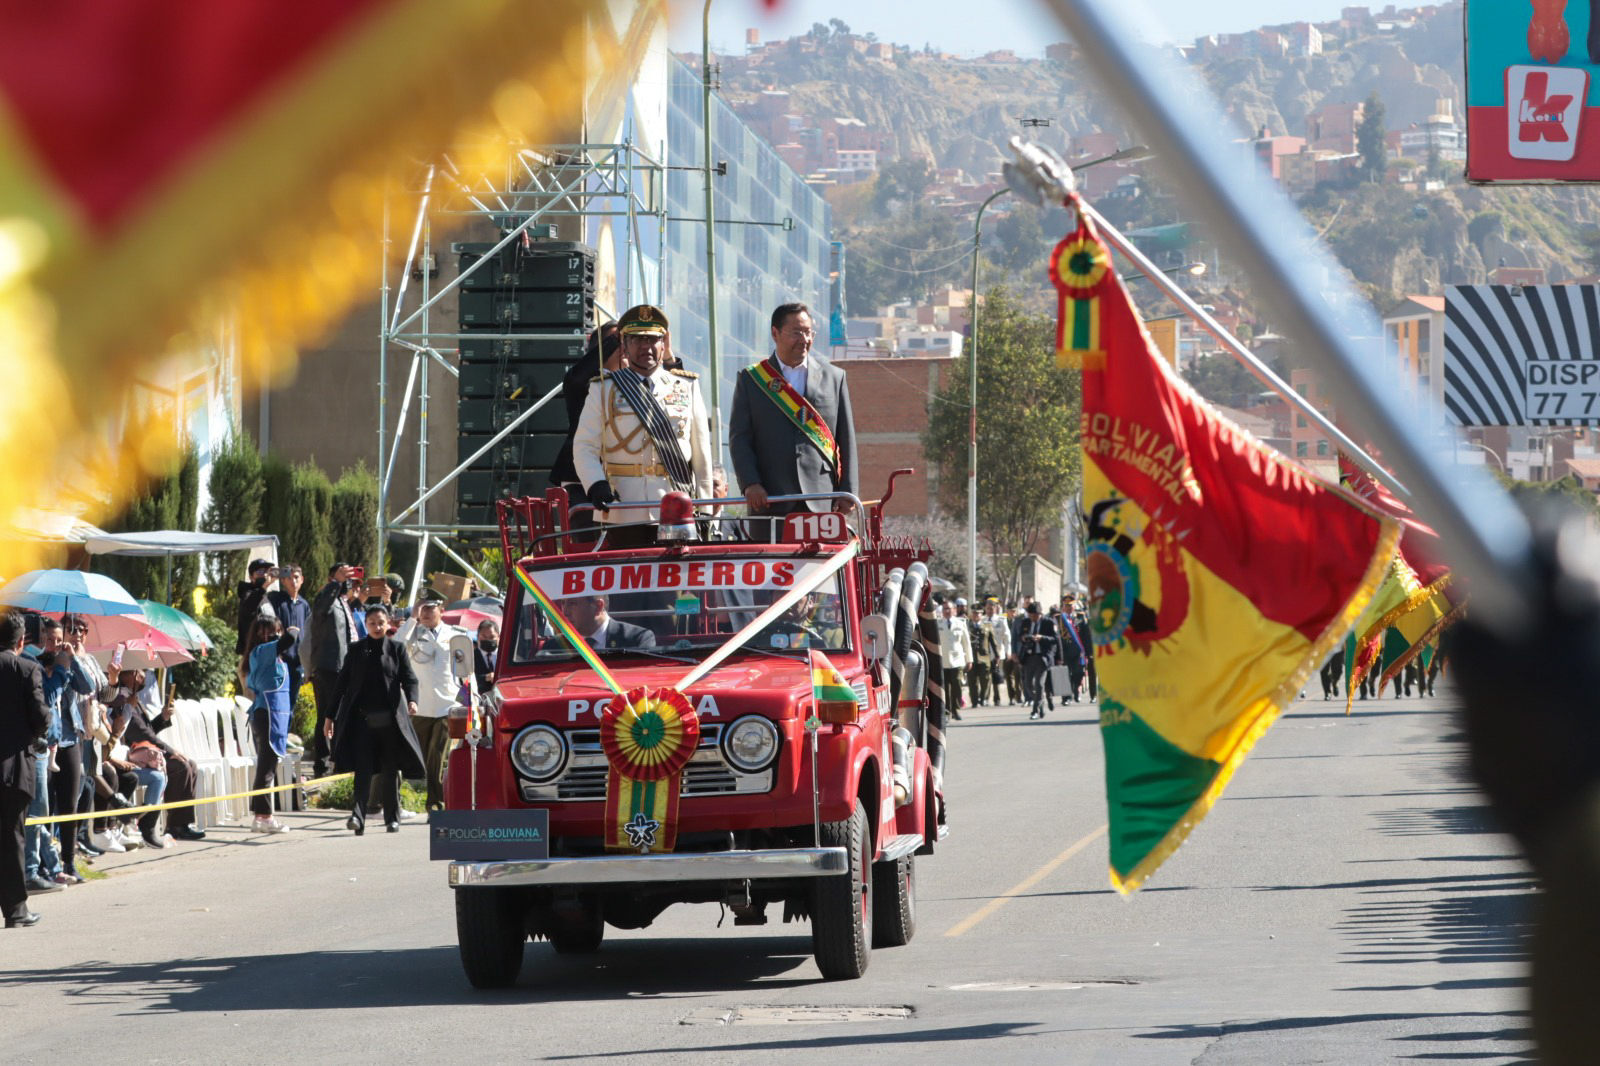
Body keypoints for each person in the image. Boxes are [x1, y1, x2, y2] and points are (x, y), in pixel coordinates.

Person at [572, 304, 713, 543]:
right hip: (621, 506)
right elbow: (584, 446)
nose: (645, 346)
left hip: (675, 504)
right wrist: (596, 484)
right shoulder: (603, 388)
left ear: (663, 343)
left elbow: (701, 455)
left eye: (652, 339)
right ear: (624, 345)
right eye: (637, 340)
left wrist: (705, 508)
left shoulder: (686, 386)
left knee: (676, 578)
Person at [728, 303, 858, 542]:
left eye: (809, 332)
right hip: (769, 500)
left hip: (822, 500)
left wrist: (848, 490)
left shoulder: (835, 377)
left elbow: (846, 439)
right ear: (775, 333)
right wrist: (750, 483)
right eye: (796, 332)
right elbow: (740, 439)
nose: (804, 339)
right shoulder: (752, 379)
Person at [326, 604, 425, 835]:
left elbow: (410, 679)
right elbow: (341, 685)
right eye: (372, 623)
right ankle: (357, 817)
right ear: (366, 625)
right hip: (362, 722)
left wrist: (412, 700)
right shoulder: (356, 650)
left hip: (391, 722)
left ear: (388, 622)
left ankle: (392, 818)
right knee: (363, 770)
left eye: (381, 622)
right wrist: (329, 717)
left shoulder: (397, 649)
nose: (377, 627)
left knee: (390, 772)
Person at [395, 597, 473, 813]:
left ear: (442, 610)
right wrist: (412, 618)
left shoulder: (456, 634)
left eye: (431, 608)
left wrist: (470, 702)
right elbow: (396, 646)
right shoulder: (412, 632)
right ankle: (394, 803)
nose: (426, 613)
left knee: (438, 759)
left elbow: (468, 672)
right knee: (408, 757)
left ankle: (436, 807)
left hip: (446, 706)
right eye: (423, 608)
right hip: (418, 706)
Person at [1, 611, 49, 928]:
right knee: (11, 838)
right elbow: (42, 718)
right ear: (22, 641)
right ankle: (16, 910)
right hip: (14, 768)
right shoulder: (27, 668)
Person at [550, 322, 621, 516]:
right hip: (580, 480)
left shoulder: (633, 384)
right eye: (617, 341)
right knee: (588, 539)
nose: (622, 348)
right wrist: (616, 339)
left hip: (622, 478)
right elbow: (577, 377)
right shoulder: (583, 381)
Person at [245, 615, 297, 833]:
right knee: (266, 768)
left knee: (269, 766)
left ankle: (261, 816)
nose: (277, 635)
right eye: (273, 631)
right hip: (266, 714)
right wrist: (292, 629)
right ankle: (264, 817)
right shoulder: (262, 651)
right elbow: (290, 639)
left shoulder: (274, 657)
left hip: (272, 715)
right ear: (260, 633)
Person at [308, 562, 358, 778]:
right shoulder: (326, 599)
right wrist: (335, 582)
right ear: (331, 580)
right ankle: (323, 764)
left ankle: (339, 762)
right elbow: (319, 609)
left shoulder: (342, 602)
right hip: (329, 667)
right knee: (327, 716)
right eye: (341, 578)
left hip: (343, 666)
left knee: (341, 716)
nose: (346, 583)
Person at [268, 563, 310, 712]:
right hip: (280, 661)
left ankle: (285, 733)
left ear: (302, 579)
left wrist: (306, 664)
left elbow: (308, 634)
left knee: (291, 703)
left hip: (297, 663)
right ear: (283, 581)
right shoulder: (276, 600)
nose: (293, 581)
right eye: (289, 578)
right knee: (278, 703)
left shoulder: (304, 605)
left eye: (296, 578)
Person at [1013, 602, 1059, 720]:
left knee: (1039, 684)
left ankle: (1035, 711)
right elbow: (1020, 635)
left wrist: (1042, 638)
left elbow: (1056, 638)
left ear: (1040, 614)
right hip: (1029, 657)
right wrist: (1024, 638)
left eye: (1035, 616)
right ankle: (1040, 702)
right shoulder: (1026, 622)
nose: (1032, 618)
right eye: (1030, 615)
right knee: (1028, 684)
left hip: (1043, 658)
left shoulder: (1049, 622)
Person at [563, 596, 656, 652]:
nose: (564, 612)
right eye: (563, 603)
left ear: (598, 606)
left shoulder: (637, 640)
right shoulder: (555, 645)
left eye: (572, 603)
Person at [936, 601, 972, 721]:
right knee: (945, 688)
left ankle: (956, 710)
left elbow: (966, 643)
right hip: (943, 661)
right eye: (945, 609)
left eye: (949, 609)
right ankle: (946, 711)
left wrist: (969, 660)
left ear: (954, 610)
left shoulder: (960, 623)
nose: (947, 611)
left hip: (957, 661)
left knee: (957, 685)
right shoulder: (937, 623)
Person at [235, 559, 278, 655]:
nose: (264, 575)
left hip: (265, 650)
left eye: (266, 571)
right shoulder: (247, 594)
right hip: (252, 653)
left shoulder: (265, 597)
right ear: (251, 577)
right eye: (260, 572)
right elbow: (249, 608)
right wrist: (264, 587)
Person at [474, 620, 499, 693]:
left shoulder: (506, 656)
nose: (488, 640)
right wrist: (486, 677)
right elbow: (464, 680)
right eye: (484, 637)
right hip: (480, 699)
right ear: (478, 637)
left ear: (499, 637)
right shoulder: (471, 657)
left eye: (491, 637)